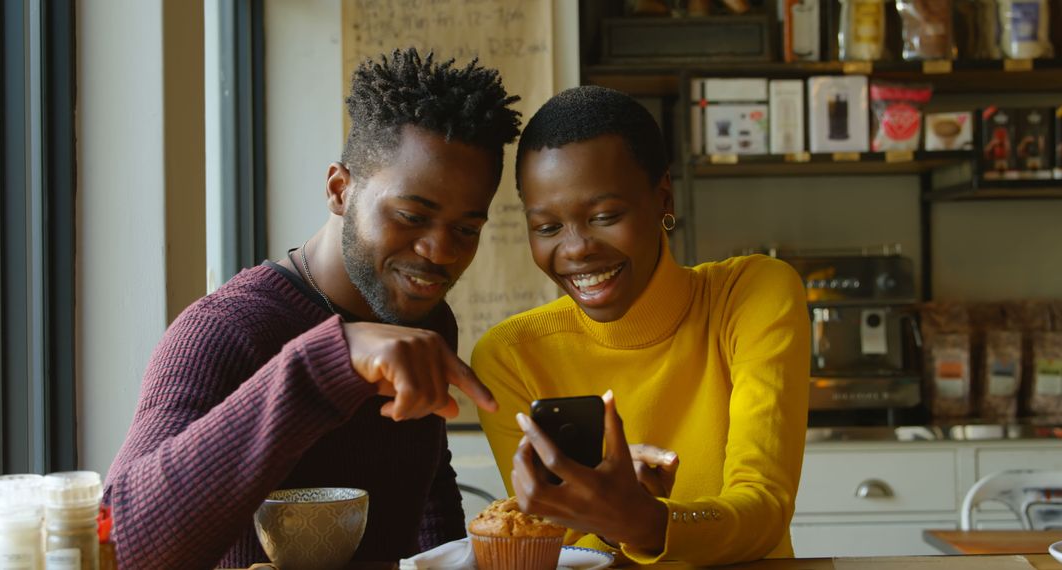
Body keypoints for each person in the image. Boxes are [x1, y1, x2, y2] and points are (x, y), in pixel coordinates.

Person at [104, 48, 521, 569]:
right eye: (412, 216)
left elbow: (426, 479)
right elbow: (118, 544)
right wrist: (328, 362)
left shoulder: (428, 319)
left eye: (466, 229)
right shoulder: (222, 331)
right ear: (340, 189)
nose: (441, 252)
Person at [471, 85, 810, 567]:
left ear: (662, 198)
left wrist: (641, 520)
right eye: (546, 227)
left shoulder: (751, 296)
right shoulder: (509, 355)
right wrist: (622, 521)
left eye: (605, 216)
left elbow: (764, 510)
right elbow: (551, 541)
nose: (576, 249)